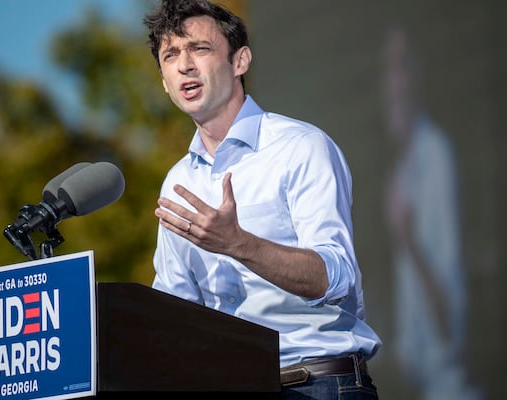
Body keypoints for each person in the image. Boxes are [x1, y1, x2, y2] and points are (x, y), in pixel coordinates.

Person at [143, 0, 381, 397]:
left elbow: (335, 276)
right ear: (165, 83)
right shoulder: (177, 182)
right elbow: (175, 308)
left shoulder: (300, 147)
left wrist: (238, 244)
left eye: (199, 49)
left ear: (240, 61)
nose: (184, 64)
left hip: (319, 382)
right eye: (171, 55)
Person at [382, 26, 481, 400]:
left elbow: (447, 303)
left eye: (401, 66)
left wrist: (406, 238)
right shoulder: (401, 166)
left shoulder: (435, 154)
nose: (392, 81)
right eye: (388, 68)